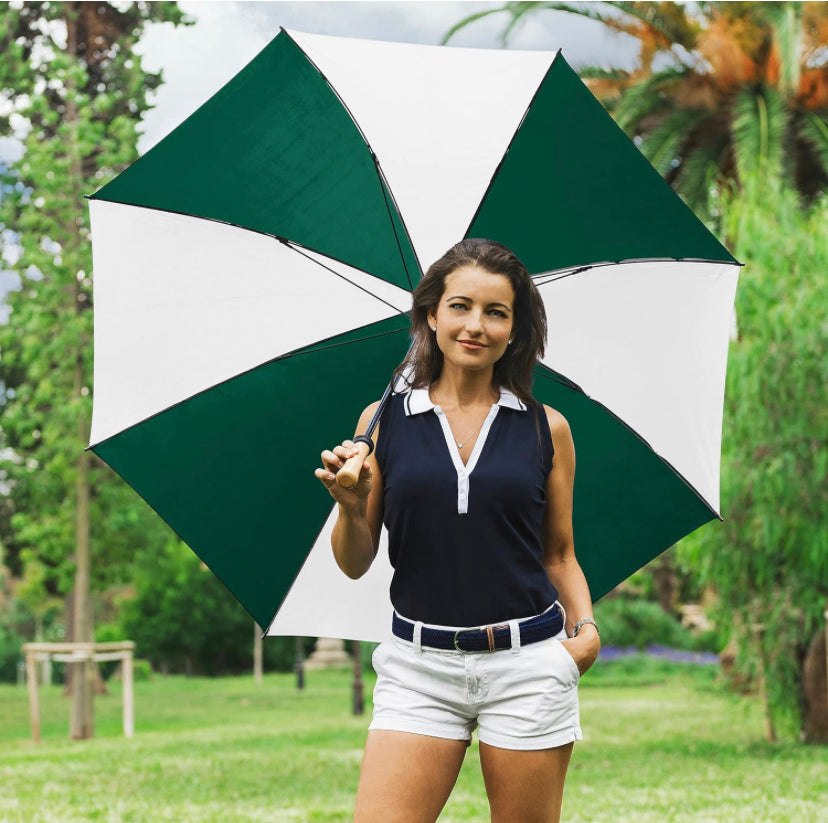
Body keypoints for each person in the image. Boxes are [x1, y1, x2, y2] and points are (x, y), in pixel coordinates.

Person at [315, 238, 600, 823]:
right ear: (431, 316)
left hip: (528, 664)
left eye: (497, 312)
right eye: (461, 306)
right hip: (418, 668)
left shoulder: (549, 429)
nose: (476, 325)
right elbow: (355, 561)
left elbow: (560, 553)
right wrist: (351, 505)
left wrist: (586, 633)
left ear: (516, 330)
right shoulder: (382, 421)